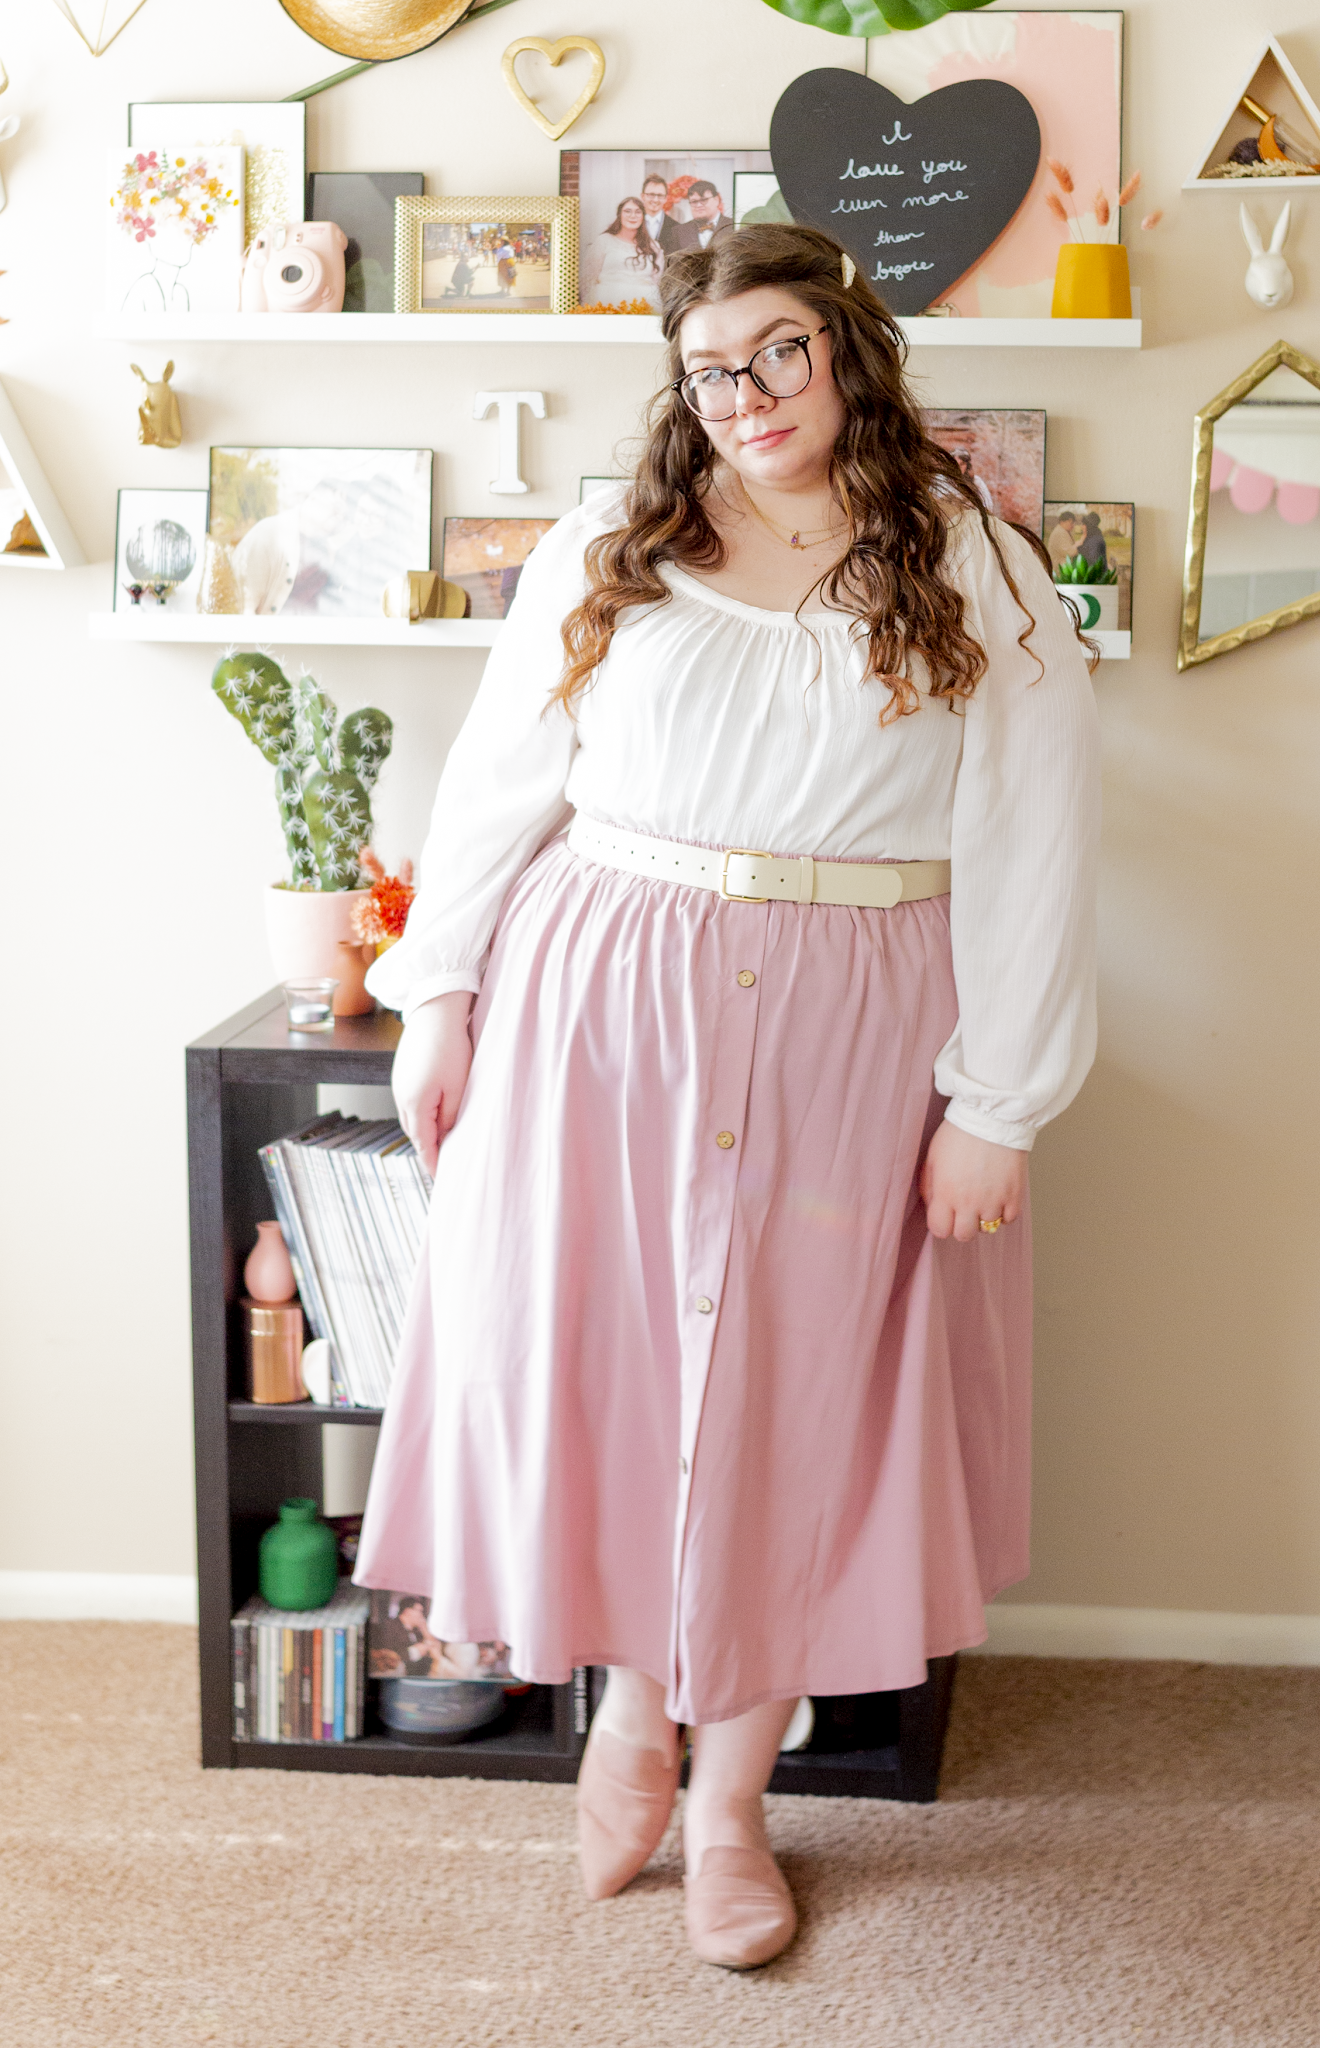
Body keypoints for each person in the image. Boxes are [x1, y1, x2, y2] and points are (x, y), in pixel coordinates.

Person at [355, 223, 1099, 1970]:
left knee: (785, 1396)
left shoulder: (978, 569)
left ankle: (728, 1802)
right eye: (709, 366)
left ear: (840, 352)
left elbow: (1033, 852)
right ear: (677, 383)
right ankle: (631, 1708)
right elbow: (494, 782)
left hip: (855, 1017)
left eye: (777, 353)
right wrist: (436, 991)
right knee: (623, 1368)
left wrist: (998, 1099)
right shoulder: (606, 549)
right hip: (600, 997)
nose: (746, 395)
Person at [582, 196, 664, 311]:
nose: (633, 216)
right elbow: (588, 279)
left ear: (643, 217)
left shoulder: (653, 246)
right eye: (627, 211)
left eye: (638, 212)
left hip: (645, 308)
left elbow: (657, 281)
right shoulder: (604, 241)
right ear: (619, 215)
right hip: (608, 306)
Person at [665, 178, 735, 255]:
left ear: (716, 200)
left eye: (704, 200)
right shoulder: (679, 232)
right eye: (694, 201)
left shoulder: (734, 227)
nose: (698, 205)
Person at [1047, 508, 1080, 573]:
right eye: (1070, 523)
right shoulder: (1060, 533)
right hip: (1059, 570)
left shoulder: (1063, 531)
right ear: (1062, 522)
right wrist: (1079, 545)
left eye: (1073, 523)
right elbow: (1069, 552)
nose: (1072, 525)